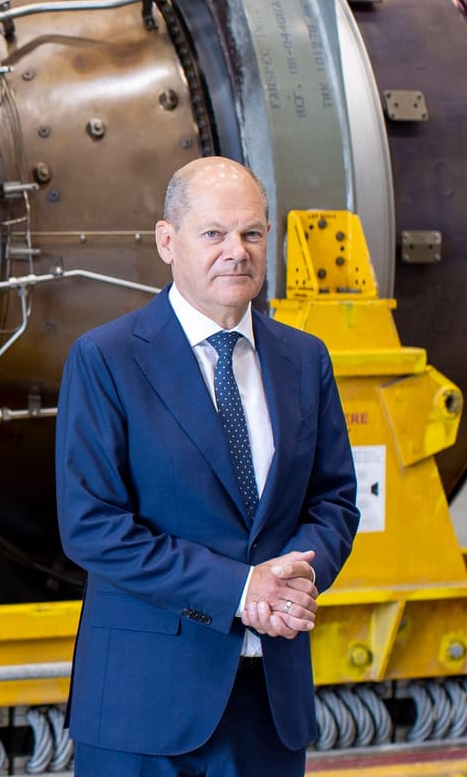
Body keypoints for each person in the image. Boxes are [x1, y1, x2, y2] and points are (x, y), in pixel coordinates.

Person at [54, 156, 360, 775]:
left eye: (251, 233)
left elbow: (333, 500)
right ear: (168, 241)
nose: (236, 252)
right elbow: (92, 526)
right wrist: (241, 589)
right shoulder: (107, 359)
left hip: (269, 701)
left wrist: (296, 578)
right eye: (213, 233)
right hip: (145, 704)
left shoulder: (304, 359)